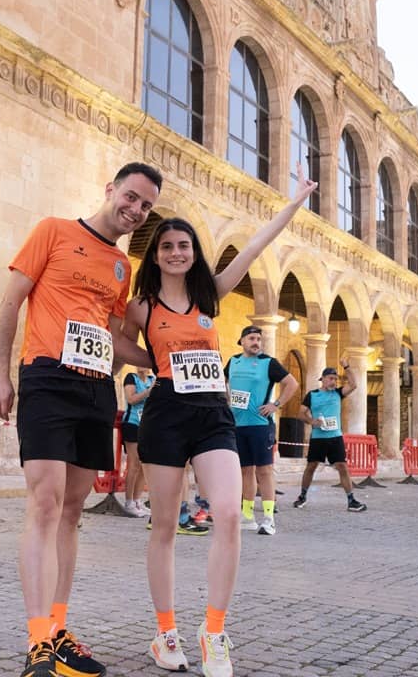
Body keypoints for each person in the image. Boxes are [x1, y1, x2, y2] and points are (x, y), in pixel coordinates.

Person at [121, 167, 317, 677]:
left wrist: (295, 202)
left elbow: (253, 246)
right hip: (165, 413)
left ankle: (213, 633)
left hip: (213, 414)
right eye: (167, 246)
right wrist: (155, 361)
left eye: (184, 246)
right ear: (155, 254)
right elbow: (117, 343)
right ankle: (165, 633)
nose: (176, 253)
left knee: (228, 514)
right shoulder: (142, 306)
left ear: (194, 252)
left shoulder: (210, 294)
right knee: (165, 526)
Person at [0, 162, 162, 677]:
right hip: (47, 377)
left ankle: (58, 630)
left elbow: (115, 339)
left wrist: (164, 358)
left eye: (146, 206)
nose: (135, 209)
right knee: (44, 503)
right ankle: (37, 641)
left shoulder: (122, 267)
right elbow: (10, 303)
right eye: (131, 197)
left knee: (71, 510)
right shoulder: (53, 231)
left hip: (96, 388)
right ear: (111, 190)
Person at [224, 325, 298, 536]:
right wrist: (226, 399)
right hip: (238, 426)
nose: (256, 342)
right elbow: (221, 382)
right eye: (252, 338)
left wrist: (276, 404)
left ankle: (268, 519)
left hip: (260, 425)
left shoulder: (268, 363)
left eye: (258, 339)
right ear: (242, 341)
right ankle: (247, 516)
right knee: (245, 471)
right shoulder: (233, 361)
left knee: (264, 471)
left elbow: (292, 384)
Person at [293, 362, 367, 513]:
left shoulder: (338, 393)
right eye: (331, 378)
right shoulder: (312, 395)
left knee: (343, 467)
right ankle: (302, 496)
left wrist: (347, 367)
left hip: (335, 437)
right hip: (318, 438)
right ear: (323, 379)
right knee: (311, 466)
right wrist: (312, 421)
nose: (334, 382)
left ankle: (351, 500)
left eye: (335, 379)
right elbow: (300, 414)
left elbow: (354, 385)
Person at [121, 366, 154, 517]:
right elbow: (131, 399)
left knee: (144, 465)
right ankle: (128, 502)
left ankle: (137, 500)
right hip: (132, 423)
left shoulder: (153, 380)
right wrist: (148, 392)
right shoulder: (131, 377)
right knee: (134, 464)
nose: (141, 365)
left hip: (147, 425)